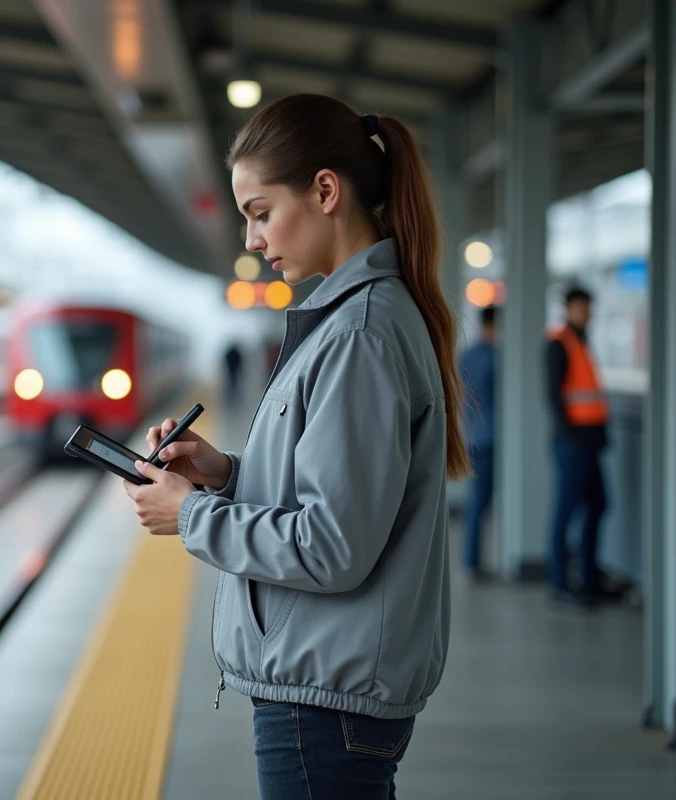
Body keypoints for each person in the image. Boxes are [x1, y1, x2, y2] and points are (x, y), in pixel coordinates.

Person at [122, 94, 467, 800]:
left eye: (260, 212)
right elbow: (338, 492)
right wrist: (220, 472)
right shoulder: (353, 320)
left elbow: (333, 543)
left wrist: (191, 516)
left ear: (326, 190)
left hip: (323, 700)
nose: (252, 240)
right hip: (327, 684)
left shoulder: (360, 334)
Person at [545, 286, 613, 607]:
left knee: (598, 505)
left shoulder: (582, 342)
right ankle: (559, 583)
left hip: (590, 442)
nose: (585, 313)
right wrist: (572, 435)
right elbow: (554, 396)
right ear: (567, 308)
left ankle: (589, 577)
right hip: (574, 444)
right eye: (579, 307)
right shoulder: (559, 343)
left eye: (588, 307)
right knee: (567, 512)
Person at [459, 304, 497, 579]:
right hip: (490, 436)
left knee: (477, 501)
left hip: (472, 434)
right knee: (481, 501)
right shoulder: (495, 357)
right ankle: (472, 562)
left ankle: (471, 560)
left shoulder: (467, 356)